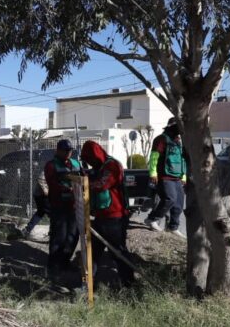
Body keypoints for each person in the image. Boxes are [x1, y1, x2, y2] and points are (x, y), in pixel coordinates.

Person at [81, 140, 135, 287]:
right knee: (92, 252)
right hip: (100, 217)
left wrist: (83, 182)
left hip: (115, 218)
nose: (91, 163)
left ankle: (128, 283)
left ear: (97, 154)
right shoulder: (99, 167)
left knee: (118, 252)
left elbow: (101, 184)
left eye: (91, 159)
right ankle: (87, 285)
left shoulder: (112, 166)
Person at [43, 139, 82, 286]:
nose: (68, 152)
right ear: (58, 150)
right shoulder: (51, 165)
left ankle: (65, 263)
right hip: (59, 207)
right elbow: (52, 184)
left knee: (73, 236)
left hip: (74, 207)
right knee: (58, 238)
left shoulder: (76, 163)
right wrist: (68, 189)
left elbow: (83, 177)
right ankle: (53, 268)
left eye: (70, 150)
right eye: (65, 150)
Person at [146, 117, 188, 237]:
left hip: (177, 177)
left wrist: (183, 175)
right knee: (170, 199)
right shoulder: (161, 139)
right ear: (171, 127)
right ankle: (151, 219)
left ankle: (173, 227)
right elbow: (154, 156)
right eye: (178, 127)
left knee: (179, 203)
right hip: (164, 176)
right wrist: (153, 172)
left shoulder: (178, 141)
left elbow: (182, 159)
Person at [21, 167, 49, 239]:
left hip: (40, 195)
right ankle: (53, 234)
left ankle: (26, 230)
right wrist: (46, 191)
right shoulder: (52, 166)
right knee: (53, 214)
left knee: (40, 213)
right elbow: (41, 179)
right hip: (41, 195)